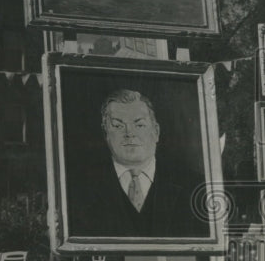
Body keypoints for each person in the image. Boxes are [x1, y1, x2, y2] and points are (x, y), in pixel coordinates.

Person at [66, 88, 207, 239]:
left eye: (139, 125)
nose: (129, 133)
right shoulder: (76, 189)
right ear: (106, 133)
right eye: (118, 126)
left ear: (156, 132)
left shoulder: (196, 186)